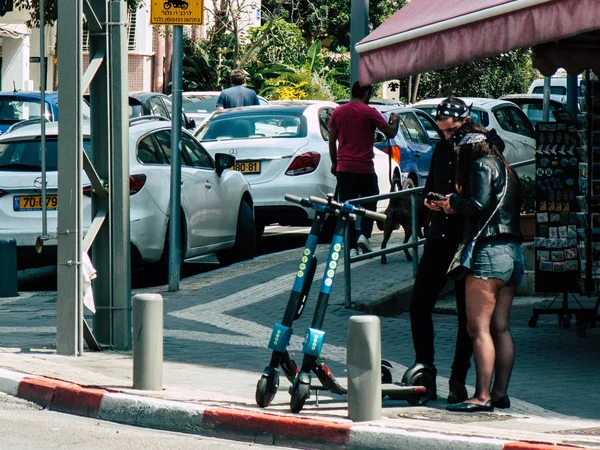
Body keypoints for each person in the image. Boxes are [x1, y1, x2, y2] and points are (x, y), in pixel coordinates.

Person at [435, 121, 524, 413]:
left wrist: (453, 203)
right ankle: (500, 393)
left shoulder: (482, 166)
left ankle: (482, 396)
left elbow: (478, 204)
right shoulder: (504, 166)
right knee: (501, 328)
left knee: (478, 329)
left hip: (489, 253)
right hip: (512, 253)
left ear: (467, 147)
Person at [408, 96, 476, 404]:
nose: (447, 135)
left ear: (464, 122)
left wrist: (455, 206)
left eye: (451, 130)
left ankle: (459, 378)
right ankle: (426, 369)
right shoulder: (441, 147)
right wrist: (428, 201)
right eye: (442, 131)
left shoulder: (478, 147)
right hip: (439, 233)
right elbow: (430, 184)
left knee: (467, 313)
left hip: (465, 236)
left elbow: (482, 198)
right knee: (419, 302)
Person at [328, 81, 399, 255]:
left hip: (344, 169)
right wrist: (395, 121)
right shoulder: (370, 113)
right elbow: (390, 133)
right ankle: (365, 236)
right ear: (366, 93)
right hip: (364, 168)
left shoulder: (338, 112)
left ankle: (351, 245)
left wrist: (334, 162)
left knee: (347, 206)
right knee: (370, 202)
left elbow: (331, 140)